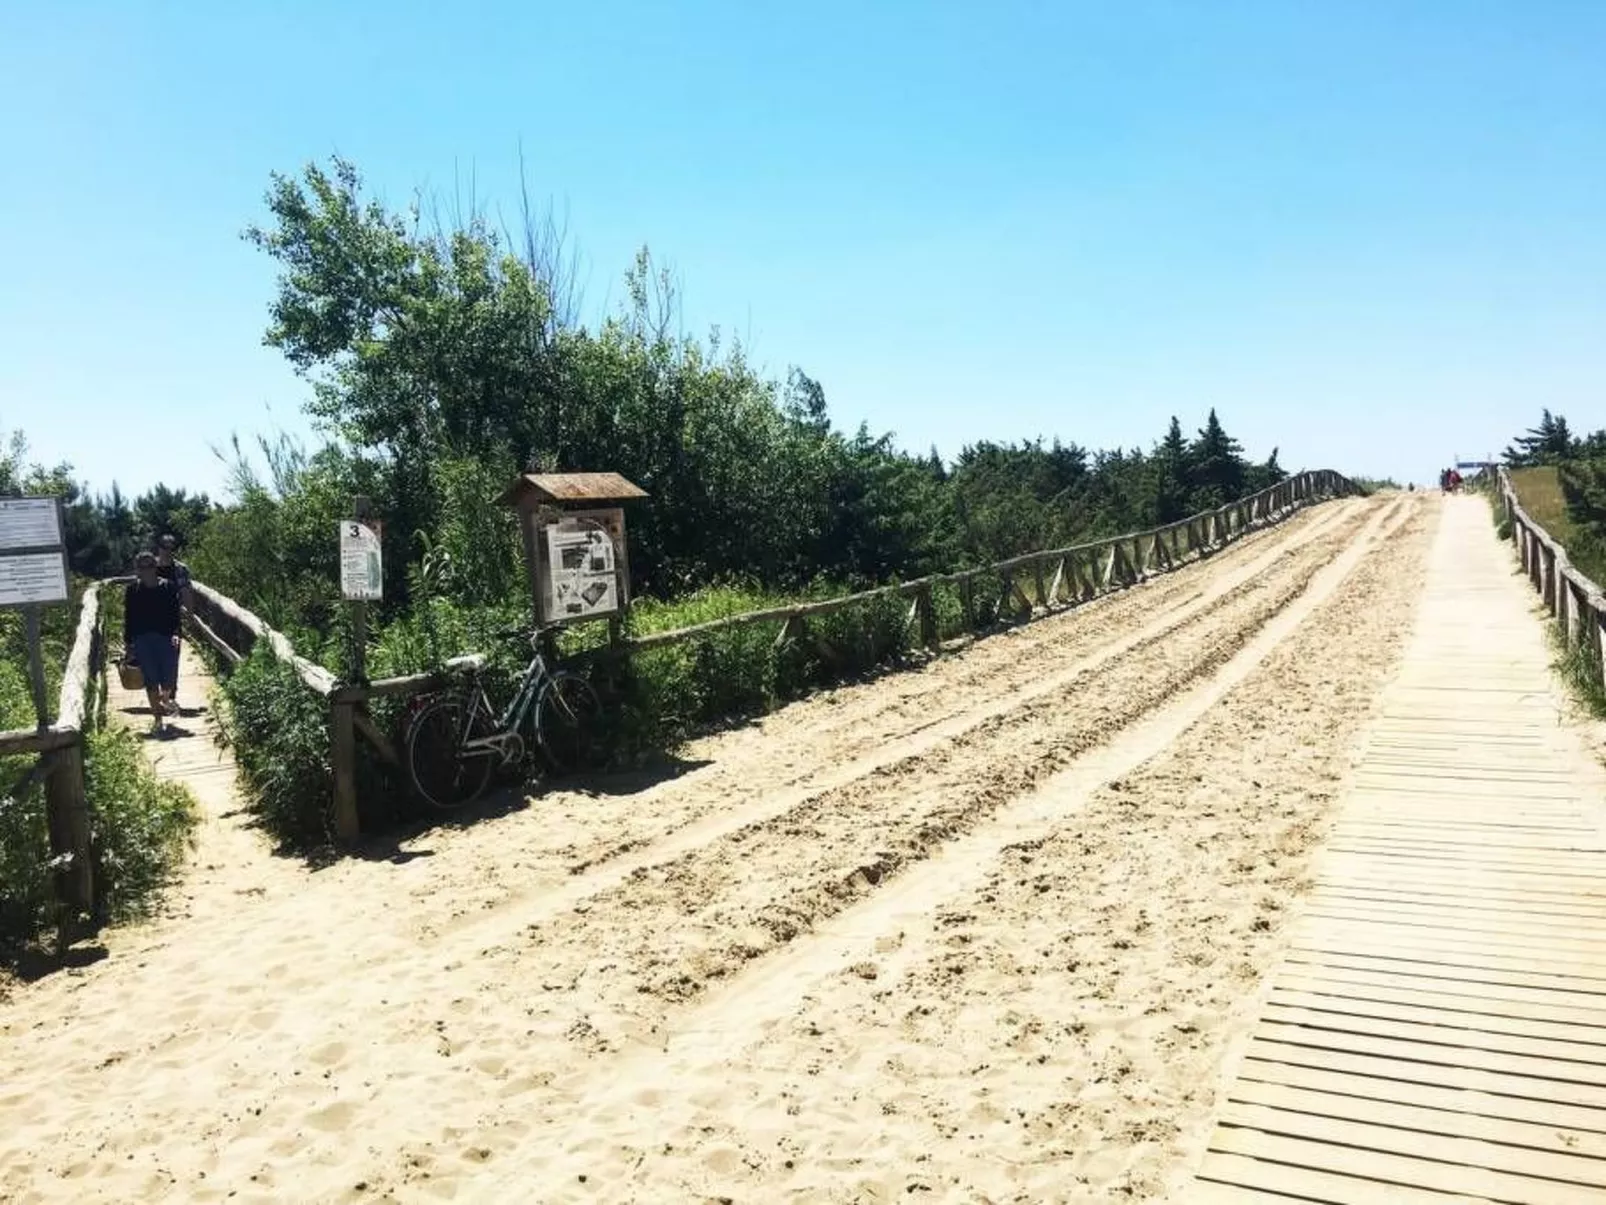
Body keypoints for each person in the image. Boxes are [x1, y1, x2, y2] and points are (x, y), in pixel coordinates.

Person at [124, 551, 182, 735]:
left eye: (150, 565)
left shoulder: (168, 587)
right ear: (137, 569)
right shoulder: (133, 590)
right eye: (142, 567)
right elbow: (129, 617)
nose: (146, 570)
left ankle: (165, 699)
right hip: (142, 639)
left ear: (155, 567)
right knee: (150, 679)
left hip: (166, 637)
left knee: (168, 677)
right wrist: (128, 643)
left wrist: (176, 633)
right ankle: (157, 719)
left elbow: (175, 614)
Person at [154, 534, 192, 714]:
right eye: (165, 547)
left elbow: (186, 591)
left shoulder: (180, 569)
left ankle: (168, 696)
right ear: (158, 547)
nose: (168, 551)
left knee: (171, 657)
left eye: (171, 547)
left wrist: (189, 613)